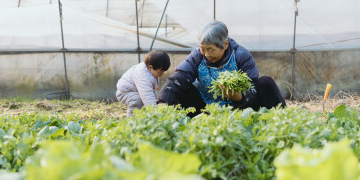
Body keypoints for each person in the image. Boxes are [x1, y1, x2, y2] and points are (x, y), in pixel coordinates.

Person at [158, 20, 286, 116]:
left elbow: (252, 88)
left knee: (265, 83)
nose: (206, 54)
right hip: (205, 109)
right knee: (181, 87)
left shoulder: (241, 56)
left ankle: (280, 121)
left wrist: (239, 97)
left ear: (225, 45)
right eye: (203, 48)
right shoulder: (197, 55)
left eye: (211, 50)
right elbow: (180, 76)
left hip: (239, 110)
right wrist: (163, 101)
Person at [116, 50, 170, 118]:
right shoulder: (143, 76)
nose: (162, 75)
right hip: (124, 93)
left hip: (135, 91)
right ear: (150, 67)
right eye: (160, 72)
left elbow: (151, 92)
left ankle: (142, 117)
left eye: (163, 72)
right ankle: (132, 120)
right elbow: (147, 96)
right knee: (137, 100)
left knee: (147, 100)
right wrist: (155, 112)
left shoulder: (151, 71)